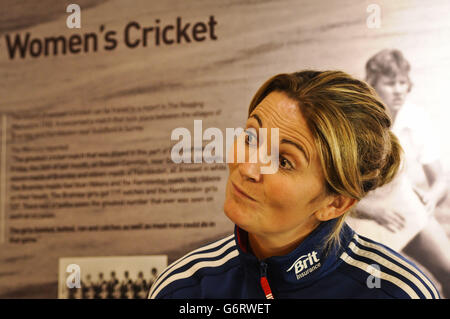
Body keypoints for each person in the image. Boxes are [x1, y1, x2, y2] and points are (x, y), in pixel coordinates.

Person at [148, 70, 439, 299]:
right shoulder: (184, 287)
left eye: (284, 161)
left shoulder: (402, 292)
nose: (247, 167)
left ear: (335, 203)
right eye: (250, 137)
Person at [347, 49, 450, 297]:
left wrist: (432, 197)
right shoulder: (354, 124)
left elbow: (441, 179)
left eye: (403, 83)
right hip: (360, 212)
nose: (399, 90)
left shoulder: (415, 117)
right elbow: (329, 189)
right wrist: (371, 210)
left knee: (449, 270)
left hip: (402, 203)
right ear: (373, 85)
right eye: (390, 83)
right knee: (376, 291)